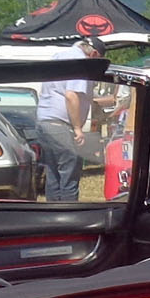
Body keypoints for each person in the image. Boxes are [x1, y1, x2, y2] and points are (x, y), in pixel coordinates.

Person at [35, 36, 100, 200]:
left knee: (53, 172)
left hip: (45, 121)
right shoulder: (80, 62)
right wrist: (78, 128)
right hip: (59, 124)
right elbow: (71, 96)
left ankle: (54, 215)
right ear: (94, 55)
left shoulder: (60, 56)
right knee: (70, 172)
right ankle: (69, 215)